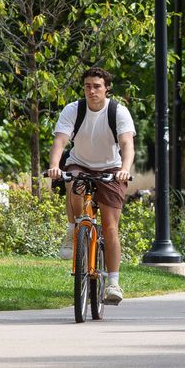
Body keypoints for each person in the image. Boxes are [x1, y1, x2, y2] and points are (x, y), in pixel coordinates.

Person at [48, 67, 135, 303]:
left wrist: (124, 170)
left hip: (111, 168)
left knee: (109, 226)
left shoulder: (118, 111)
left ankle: (114, 284)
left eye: (97, 86)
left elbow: (127, 144)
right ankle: (73, 228)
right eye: (88, 86)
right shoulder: (73, 110)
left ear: (107, 88)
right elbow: (60, 141)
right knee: (72, 179)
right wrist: (55, 165)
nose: (92, 91)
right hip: (81, 163)